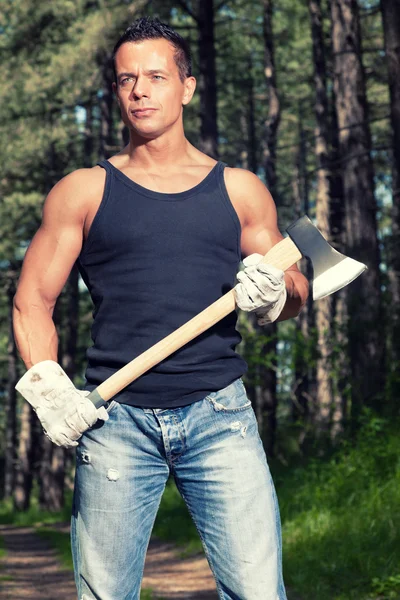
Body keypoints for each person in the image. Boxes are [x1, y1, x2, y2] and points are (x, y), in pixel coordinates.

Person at [13, 16, 308, 600]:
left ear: (187, 86)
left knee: (258, 593)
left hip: (220, 417)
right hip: (115, 422)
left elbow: (296, 286)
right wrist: (50, 390)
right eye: (126, 80)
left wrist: (277, 293)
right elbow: (31, 302)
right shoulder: (83, 191)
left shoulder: (239, 190)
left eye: (155, 76)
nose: (140, 91)